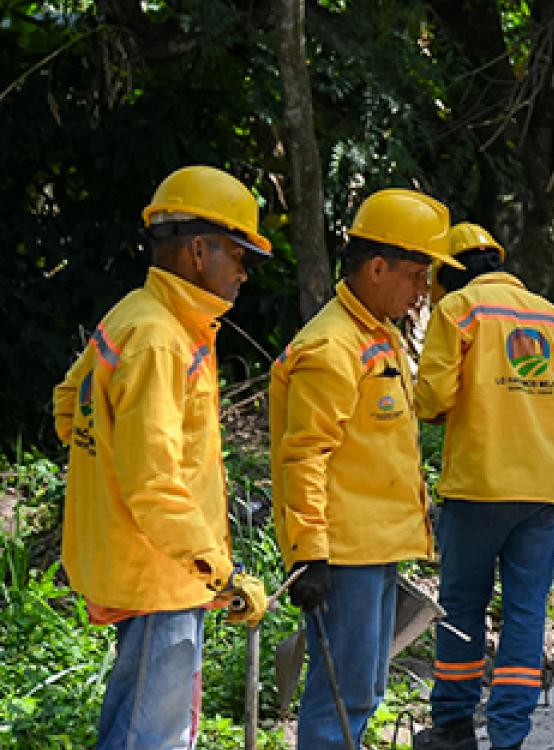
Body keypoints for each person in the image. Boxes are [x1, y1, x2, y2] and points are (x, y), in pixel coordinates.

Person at [52, 165, 270, 749]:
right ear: (199, 251)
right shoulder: (160, 338)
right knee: (151, 738)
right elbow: (153, 483)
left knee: (145, 726)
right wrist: (218, 572)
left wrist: (99, 473)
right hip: (161, 573)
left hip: (144, 559)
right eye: (238, 254)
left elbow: (68, 402)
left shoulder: (136, 315)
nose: (245, 273)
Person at [270, 188, 458, 749]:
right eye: (416, 275)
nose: (424, 291)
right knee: (341, 695)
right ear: (377, 267)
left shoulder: (378, 337)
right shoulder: (331, 347)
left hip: (372, 550)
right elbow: (303, 454)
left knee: (363, 690)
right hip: (343, 554)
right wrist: (310, 554)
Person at [410, 224, 554, 750]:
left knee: (462, 604)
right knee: (526, 610)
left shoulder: (458, 311)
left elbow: (432, 398)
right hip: (542, 491)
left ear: (450, 271)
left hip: (476, 486)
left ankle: (454, 725)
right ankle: (510, 735)